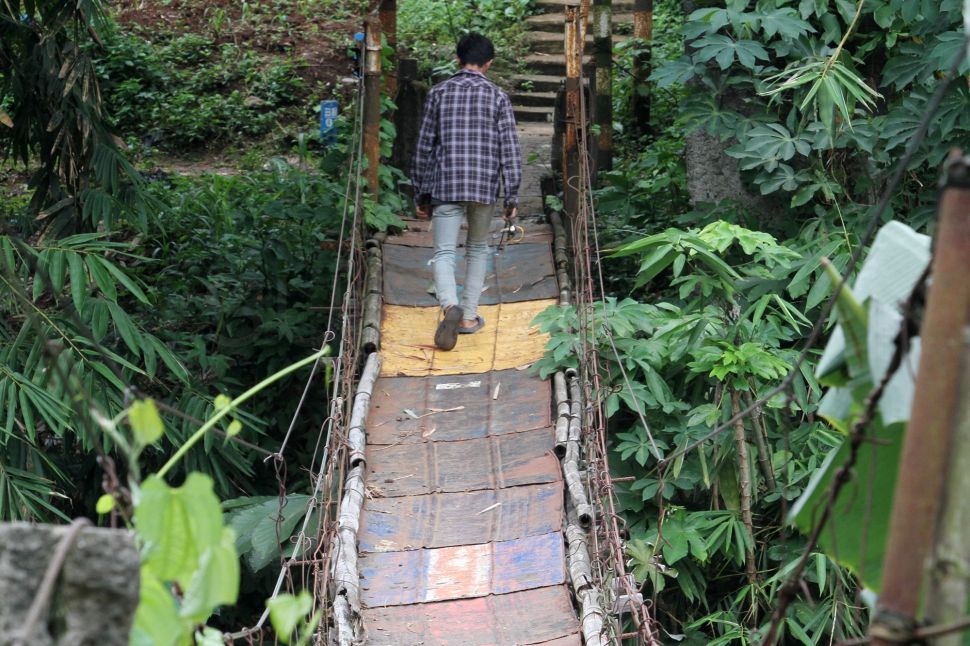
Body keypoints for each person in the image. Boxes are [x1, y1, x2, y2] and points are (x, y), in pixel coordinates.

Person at [411, 32, 522, 351]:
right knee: (477, 248)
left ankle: (448, 306)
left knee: (444, 251)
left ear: (457, 59)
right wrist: (511, 197)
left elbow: (423, 147)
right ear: (489, 63)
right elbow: (510, 149)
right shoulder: (498, 96)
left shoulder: (438, 93)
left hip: (446, 183)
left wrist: (420, 193)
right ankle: (469, 317)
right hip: (483, 185)